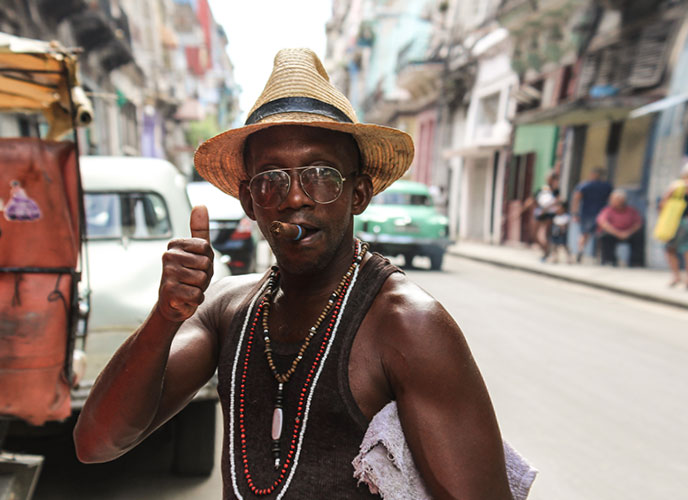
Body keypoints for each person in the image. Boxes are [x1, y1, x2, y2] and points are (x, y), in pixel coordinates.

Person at [73, 49, 515, 499]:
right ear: (250, 202)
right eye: (271, 179)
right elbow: (97, 442)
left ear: (357, 193)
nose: (294, 199)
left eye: (320, 175)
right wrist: (166, 316)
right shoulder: (227, 310)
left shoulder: (408, 325)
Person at [571, 166, 613, 263]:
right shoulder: (607, 186)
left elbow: (576, 198)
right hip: (602, 213)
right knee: (600, 234)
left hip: (587, 213)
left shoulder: (585, 185)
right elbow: (611, 200)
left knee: (584, 234)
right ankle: (599, 255)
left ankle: (580, 251)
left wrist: (575, 212)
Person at [596, 189, 643, 266]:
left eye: (618, 200)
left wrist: (628, 232)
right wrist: (618, 233)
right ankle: (609, 261)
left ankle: (636, 262)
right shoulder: (607, 210)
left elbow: (638, 223)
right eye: (613, 199)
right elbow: (603, 223)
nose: (613, 201)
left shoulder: (631, 210)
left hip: (628, 233)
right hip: (613, 233)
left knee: (639, 236)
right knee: (605, 237)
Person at [660, 163, 688, 287]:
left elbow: (662, 204)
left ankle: (676, 276)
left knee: (670, 249)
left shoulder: (677, 186)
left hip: (676, 222)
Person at [525, 172, 560, 261]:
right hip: (540, 213)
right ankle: (546, 251)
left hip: (549, 214)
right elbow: (532, 199)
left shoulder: (556, 191)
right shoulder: (542, 189)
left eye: (551, 178)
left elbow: (557, 202)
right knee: (534, 235)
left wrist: (546, 208)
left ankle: (548, 253)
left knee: (547, 235)